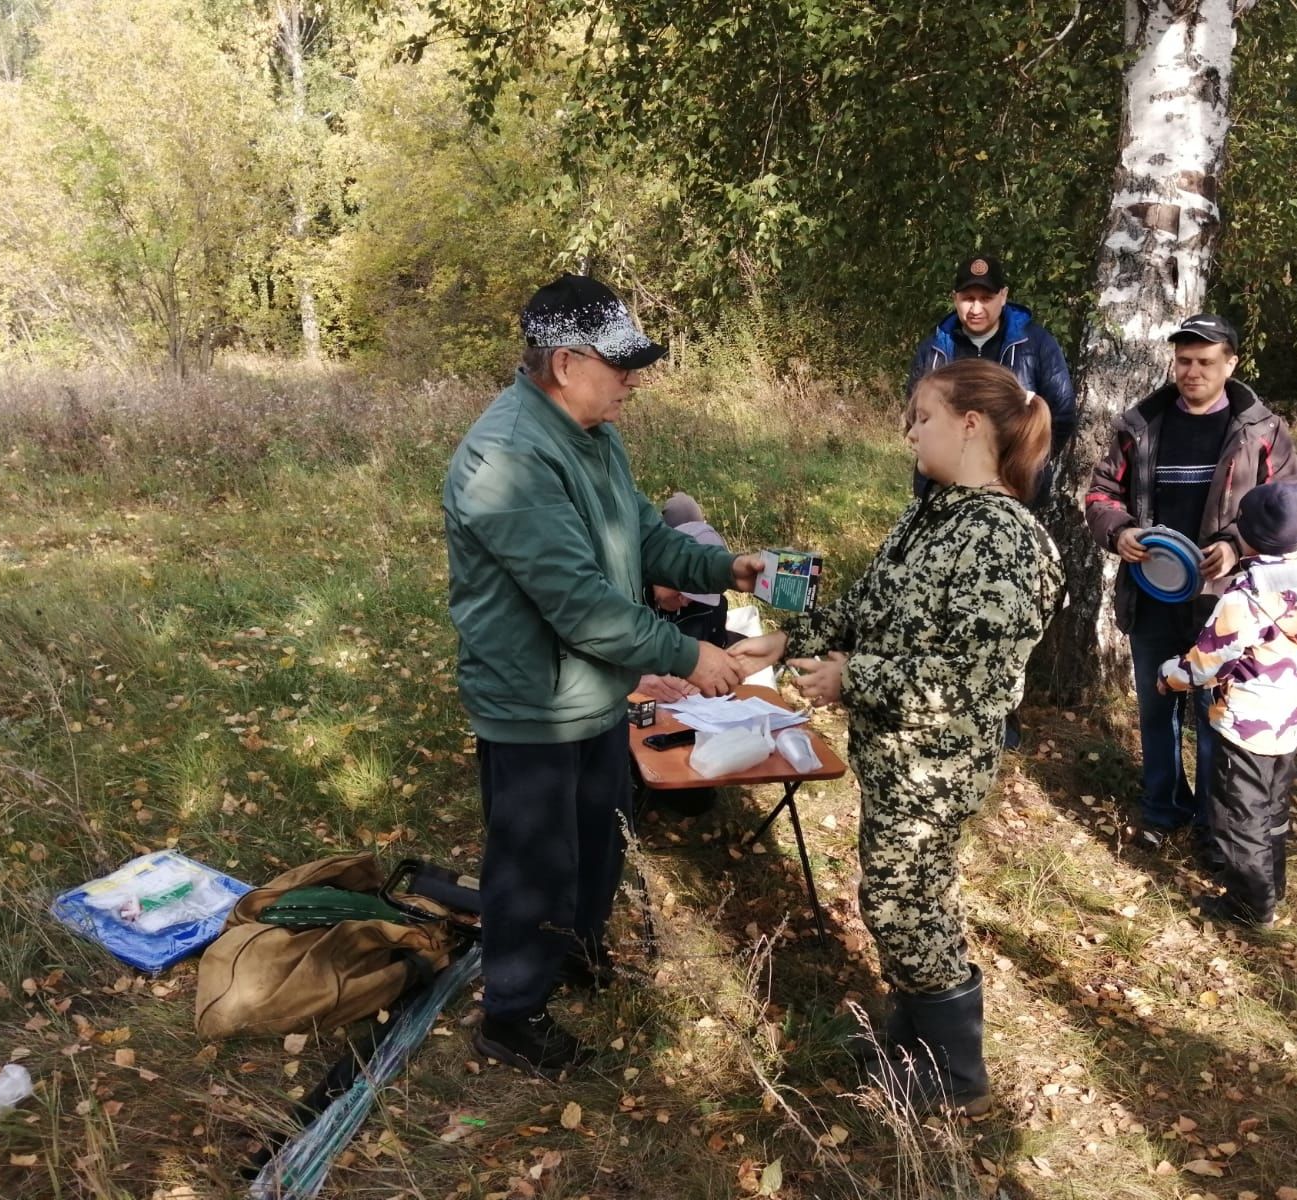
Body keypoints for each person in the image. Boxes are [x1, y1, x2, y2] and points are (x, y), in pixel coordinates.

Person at [442, 273, 765, 1075]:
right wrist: (690, 656)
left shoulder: (594, 435)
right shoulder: (505, 456)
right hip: (533, 700)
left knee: (597, 841)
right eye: (619, 364)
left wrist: (729, 567)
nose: (634, 379)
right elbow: (578, 602)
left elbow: (648, 540)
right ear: (562, 363)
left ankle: (575, 952)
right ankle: (512, 1014)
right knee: (532, 859)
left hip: (595, 692)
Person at [729, 358, 1063, 1116]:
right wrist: (784, 643)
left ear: (970, 424)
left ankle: (956, 1075)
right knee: (901, 896)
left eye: (922, 416)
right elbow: (868, 607)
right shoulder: (932, 514)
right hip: (897, 755)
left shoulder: (1006, 540)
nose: (909, 432)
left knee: (903, 902)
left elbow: (969, 681)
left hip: (938, 762)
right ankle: (910, 1041)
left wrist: (854, 679)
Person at [1085, 314, 1297, 856]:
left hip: (1226, 605)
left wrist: (1237, 545)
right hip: (1152, 593)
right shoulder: (1141, 425)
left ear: (1231, 363)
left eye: (1205, 362)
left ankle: (1214, 824)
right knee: (1156, 711)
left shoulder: (1262, 431)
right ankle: (1162, 809)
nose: (1191, 372)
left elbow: (1292, 506)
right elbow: (1099, 492)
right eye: (1183, 361)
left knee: (1215, 717)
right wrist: (1120, 532)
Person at [1157, 483, 1297, 926]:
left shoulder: (1246, 596)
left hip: (1245, 726)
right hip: (1288, 722)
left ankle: (1250, 906)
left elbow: (1207, 662)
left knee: (1241, 816)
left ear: (1250, 536)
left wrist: (1168, 676)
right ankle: (1272, 886)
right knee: (1273, 809)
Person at [907, 253, 1077, 514]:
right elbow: (914, 415)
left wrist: (1019, 461)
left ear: (1003, 296)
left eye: (986, 299)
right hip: (942, 492)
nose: (976, 309)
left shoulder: (1037, 344)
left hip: (1015, 490)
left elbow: (1061, 415)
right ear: (955, 297)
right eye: (968, 299)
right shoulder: (934, 349)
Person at [634, 492, 733, 704]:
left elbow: (719, 662)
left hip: (688, 712)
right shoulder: (626, 592)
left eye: (696, 598)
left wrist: (704, 676)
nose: (686, 601)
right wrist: (634, 682)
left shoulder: (712, 609)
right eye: (682, 591)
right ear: (663, 567)